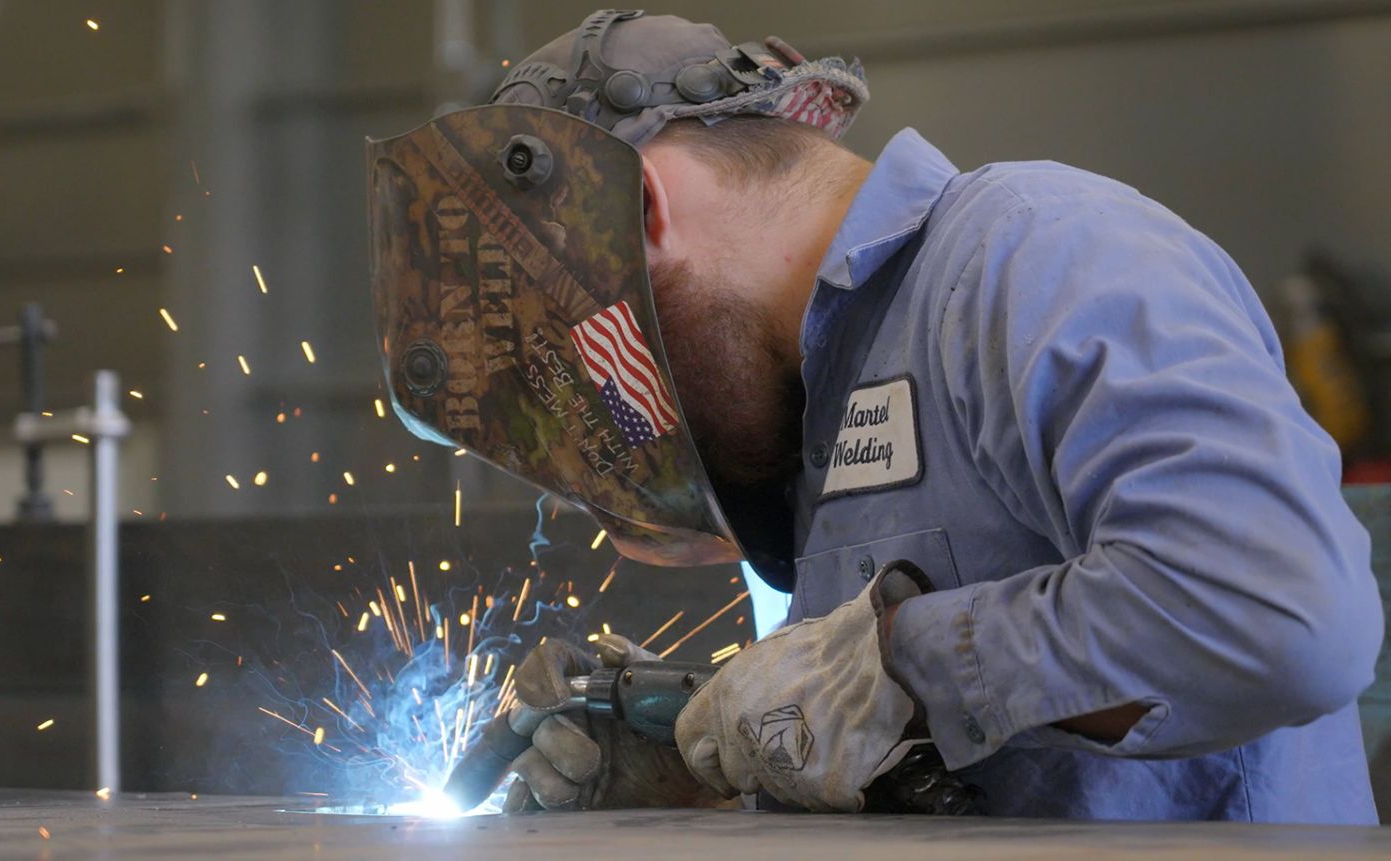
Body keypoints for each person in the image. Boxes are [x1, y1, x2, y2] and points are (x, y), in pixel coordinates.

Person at [368, 11, 1384, 822]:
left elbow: (1281, 619)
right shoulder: (808, 412)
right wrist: (712, 761)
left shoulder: (1033, 258)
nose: (618, 421)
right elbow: (977, 759)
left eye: (597, 365)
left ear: (643, 216)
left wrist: (895, 668)